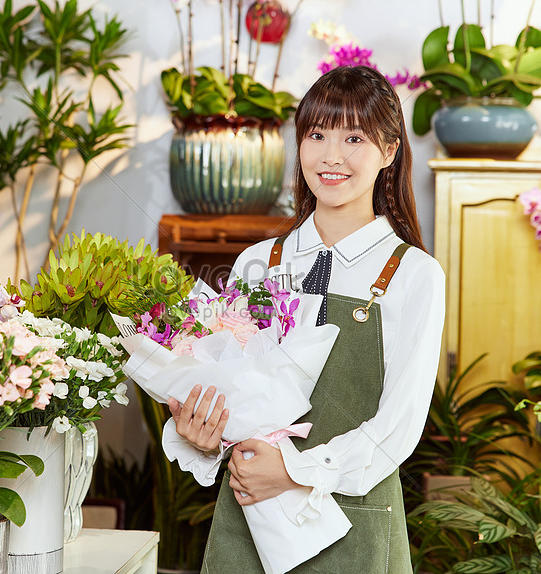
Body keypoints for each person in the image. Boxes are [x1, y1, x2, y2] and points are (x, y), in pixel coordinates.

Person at [166, 65, 446, 573]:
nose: (331, 156)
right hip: (249, 517)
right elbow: (225, 387)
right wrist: (203, 434)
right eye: (316, 134)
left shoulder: (413, 275)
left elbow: (399, 424)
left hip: (354, 521)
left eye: (354, 137)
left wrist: (295, 472)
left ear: (389, 152)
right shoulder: (259, 262)